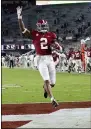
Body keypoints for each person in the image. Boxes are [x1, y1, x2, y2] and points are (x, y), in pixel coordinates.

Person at [16, 6, 62, 108]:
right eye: (42, 25)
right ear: (38, 26)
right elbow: (23, 29)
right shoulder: (34, 34)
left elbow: (58, 46)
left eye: (45, 25)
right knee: (47, 80)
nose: (44, 27)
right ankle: (52, 99)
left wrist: (58, 47)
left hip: (50, 59)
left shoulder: (51, 35)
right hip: (40, 59)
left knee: (52, 83)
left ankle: (45, 88)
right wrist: (19, 17)